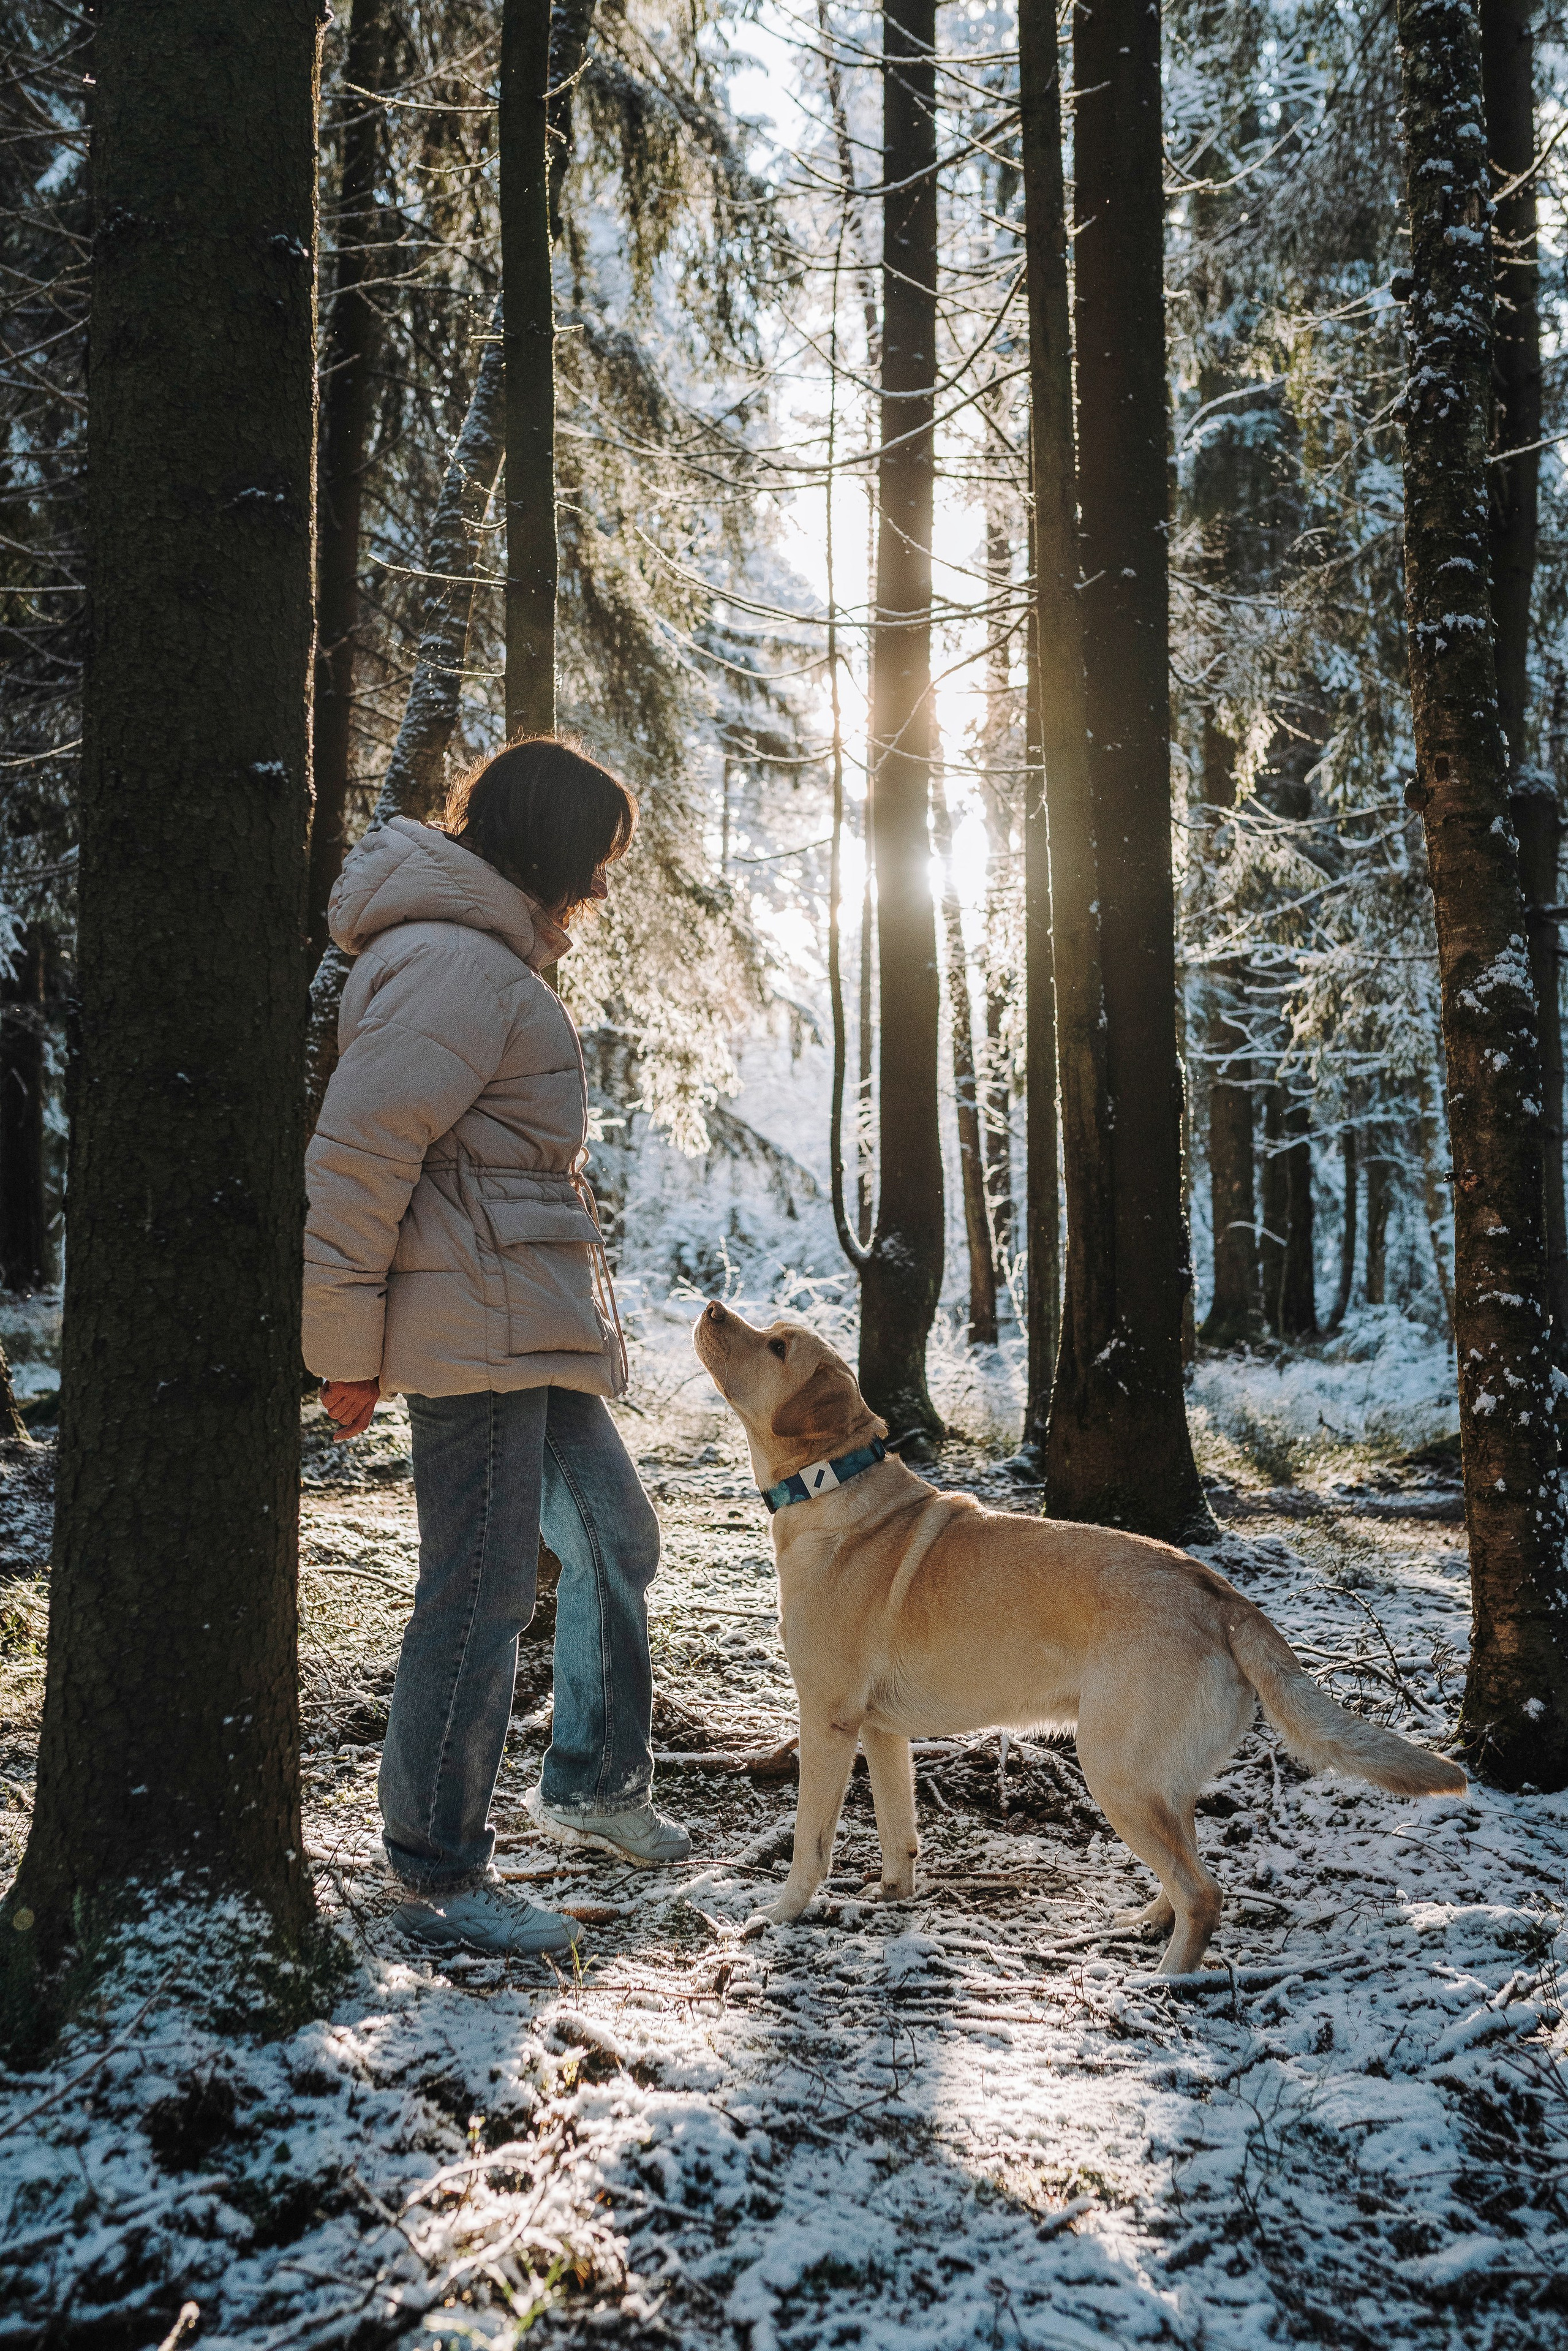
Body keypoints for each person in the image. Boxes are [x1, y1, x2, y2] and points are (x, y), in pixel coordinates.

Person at [304, 736, 689, 1957]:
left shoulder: (475, 957)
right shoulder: (452, 968)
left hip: (521, 1321)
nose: (602, 888)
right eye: (594, 861)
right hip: (468, 1329)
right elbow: (359, 1161)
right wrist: (344, 1348)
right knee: (475, 1593)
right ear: (543, 849)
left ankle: (588, 1782)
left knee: (613, 1531)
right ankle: (436, 1870)